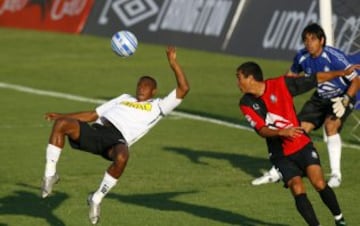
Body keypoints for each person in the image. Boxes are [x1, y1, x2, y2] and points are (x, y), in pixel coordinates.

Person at [40, 46, 190, 224]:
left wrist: (173, 63)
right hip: (97, 131)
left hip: (116, 141)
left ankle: (96, 199)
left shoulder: (159, 106)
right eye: (140, 85)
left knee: (123, 156)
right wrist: (62, 116)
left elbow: (184, 88)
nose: (141, 89)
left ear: (154, 91)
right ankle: (50, 175)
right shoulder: (124, 98)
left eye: (146, 86)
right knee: (62, 124)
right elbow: (93, 115)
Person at [237, 61, 360, 226]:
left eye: (239, 78)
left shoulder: (281, 84)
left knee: (319, 183)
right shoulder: (245, 103)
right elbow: (261, 130)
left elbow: (314, 79)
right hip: (280, 154)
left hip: (301, 144)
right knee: (297, 187)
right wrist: (281, 132)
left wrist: (341, 73)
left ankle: (339, 219)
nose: (238, 83)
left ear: (250, 78)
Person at [251, 23, 360, 188]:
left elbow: (356, 80)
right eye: (306, 40)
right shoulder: (301, 57)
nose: (309, 43)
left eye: (313, 39)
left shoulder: (334, 57)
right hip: (320, 98)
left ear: (322, 40)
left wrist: (345, 99)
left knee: (330, 126)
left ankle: (336, 175)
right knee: (297, 130)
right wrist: (275, 97)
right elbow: (289, 78)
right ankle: (278, 171)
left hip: (342, 96)